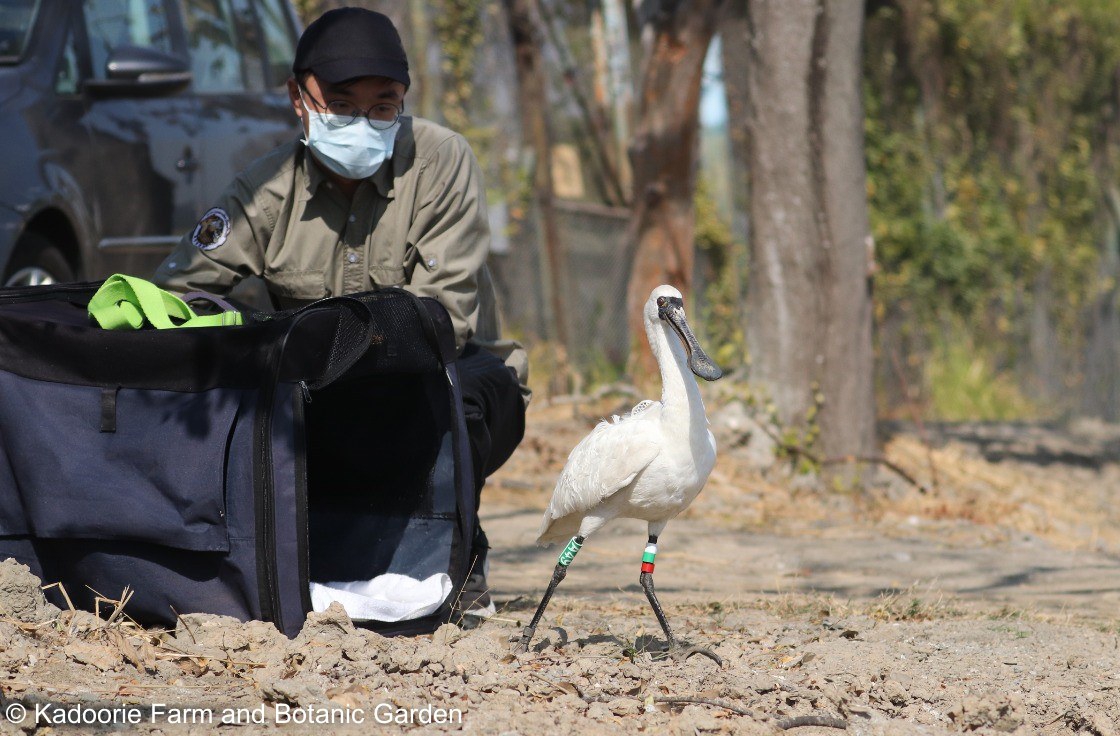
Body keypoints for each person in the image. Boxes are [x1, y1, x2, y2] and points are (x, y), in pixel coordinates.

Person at [153, 7, 526, 619]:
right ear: (299, 99)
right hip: (315, 389)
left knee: (465, 397)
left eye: (384, 105)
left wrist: (310, 342)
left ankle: (455, 553)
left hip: (434, 377)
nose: (363, 121)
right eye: (342, 102)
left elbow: (446, 320)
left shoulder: (441, 162)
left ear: (404, 101)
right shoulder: (264, 190)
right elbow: (180, 295)